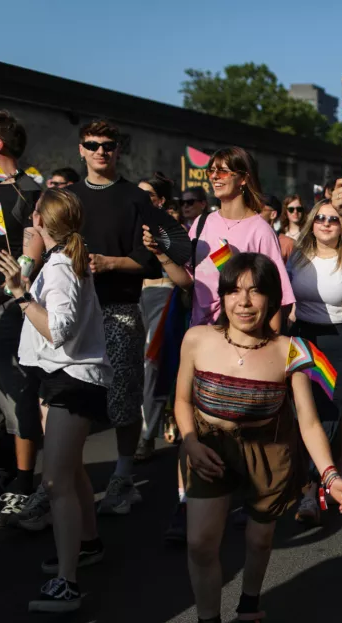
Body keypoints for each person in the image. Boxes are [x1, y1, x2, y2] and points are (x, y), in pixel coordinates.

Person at [173, 252, 342, 623]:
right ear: (222, 296)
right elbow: (182, 400)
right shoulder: (197, 339)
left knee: (258, 540)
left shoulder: (290, 350)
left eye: (256, 291)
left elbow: (308, 422)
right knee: (200, 543)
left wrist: (330, 476)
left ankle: (249, 612)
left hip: (269, 450)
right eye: (234, 291)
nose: (244, 302)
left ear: (272, 299)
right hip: (208, 447)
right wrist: (190, 442)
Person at [143, 146, 296, 542]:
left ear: (243, 178)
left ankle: (244, 494)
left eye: (224, 171)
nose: (215, 176)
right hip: (202, 337)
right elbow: (187, 281)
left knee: (240, 426)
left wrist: (272, 351)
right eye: (212, 170)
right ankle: (186, 502)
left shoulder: (259, 230)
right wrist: (162, 255)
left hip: (244, 343)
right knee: (192, 420)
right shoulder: (202, 223)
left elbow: (277, 296)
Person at [0, 189, 111, 611]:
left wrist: (21, 294)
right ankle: (87, 544)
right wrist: (24, 281)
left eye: (33, 216)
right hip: (65, 379)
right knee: (72, 471)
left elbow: (58, 330)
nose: (29, 222)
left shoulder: (61, 267)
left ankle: (67, 583)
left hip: (71, 382)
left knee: (56, 482)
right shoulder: (61, 260)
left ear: (42, 222)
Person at [67, 120, 170, 518]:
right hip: (74, 313)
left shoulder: (135, 198)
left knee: (123, 398)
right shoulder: (69, 198)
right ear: (81, 149)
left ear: (118, 150)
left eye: (108, 145)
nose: (100, 151)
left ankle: (123, 476)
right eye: (92, 144)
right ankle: (62, 478)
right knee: (71, 398)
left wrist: (110, 263)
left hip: (120, 309)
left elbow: (149, 262)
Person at [286, 198, 342, 524]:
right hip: (304, 338)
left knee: (333, 412)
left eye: (333, 219)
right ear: (312, 222)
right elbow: (286, 302)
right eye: (320, 218)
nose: (325, 223)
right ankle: (315, 483)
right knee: (304, 411)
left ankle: (318, 485)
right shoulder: (297, 256)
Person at [0, 110, 46, 529]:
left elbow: (30, 258)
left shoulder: (30, 192)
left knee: (13, 391)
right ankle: (2, 460)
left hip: (3, 301)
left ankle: (24, 485)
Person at [135, 173, 177, 462]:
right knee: (134, 366)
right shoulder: (130, 225)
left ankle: (146, 435)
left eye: (147, 194)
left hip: (163, 295)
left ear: (160, 201)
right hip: (133, 296)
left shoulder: (172, 230)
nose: (138, 199)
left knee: (151, 365)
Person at [278, 194, 305, 260]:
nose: (295, 212)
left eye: (299, 209)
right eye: (291, 209)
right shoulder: (279, 234)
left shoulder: (309, 233)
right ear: (285, 212)